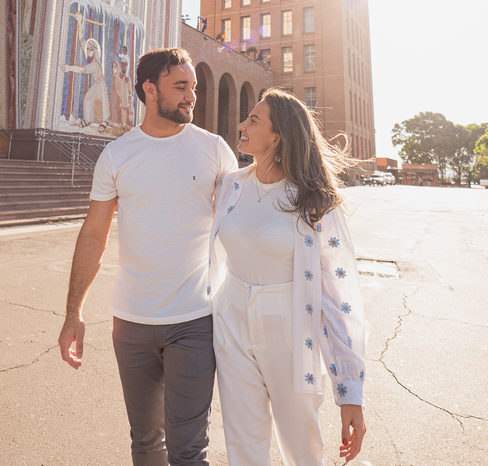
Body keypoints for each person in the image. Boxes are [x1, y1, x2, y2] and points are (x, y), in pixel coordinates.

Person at [59, 47, 238, 465]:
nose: (191, 96)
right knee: (144, 443)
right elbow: (93, 234)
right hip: (131, 322)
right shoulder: (118, 155)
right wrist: (74, 312)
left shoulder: (214, 150)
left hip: (194, 318)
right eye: (180, 87)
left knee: (188, 449)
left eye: (193, 87)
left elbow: (241, 226)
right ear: (149, 89)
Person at [209, 88, 367, 466]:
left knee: (302, 446)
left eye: (253, 120)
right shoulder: (230, 184)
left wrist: (350, 391)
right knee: (243, 444)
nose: (242, 125)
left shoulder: (312, 200)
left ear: (277, 137)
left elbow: (340, 295)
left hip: (290, 325)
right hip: (230, 317)